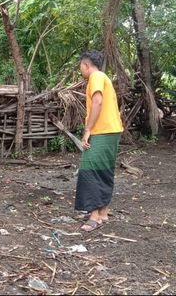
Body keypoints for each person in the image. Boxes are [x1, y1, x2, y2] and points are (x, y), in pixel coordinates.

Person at [75, 49, 124, 232]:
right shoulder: (105, 78)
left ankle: (94, 216)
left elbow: (97, 102)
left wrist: (88, 129)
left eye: (81, 66)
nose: (81, 70)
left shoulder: (95, 77)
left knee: (90, 170)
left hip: (102, 132)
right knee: (104, 170)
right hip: (112, 130)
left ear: (86, 65)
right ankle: (103, 211)